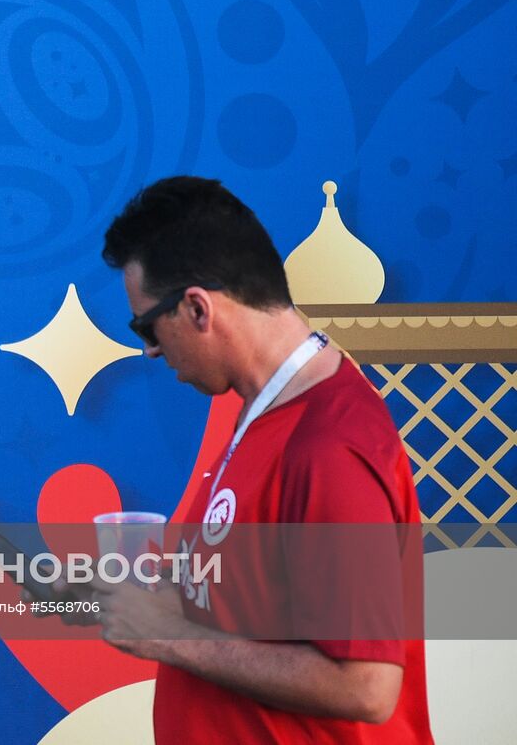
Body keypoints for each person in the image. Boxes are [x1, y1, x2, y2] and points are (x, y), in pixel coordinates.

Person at [73, 176, 432, 743]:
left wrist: (167, 634)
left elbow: (365, 686)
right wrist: (165, 597)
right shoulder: (270, 411)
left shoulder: (328, 444)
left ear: (197, 308)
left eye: (147, 326)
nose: (150, 350)